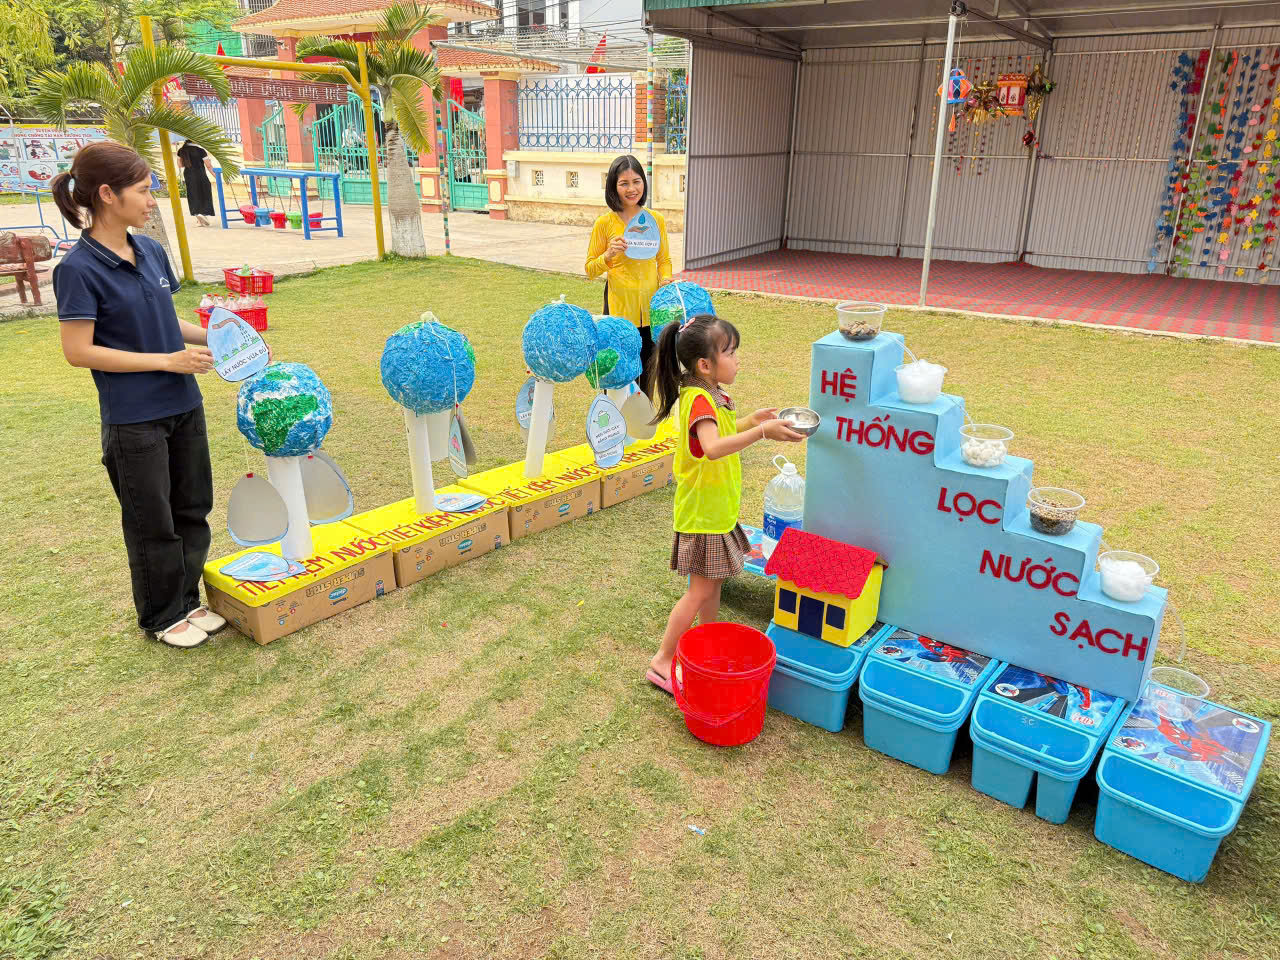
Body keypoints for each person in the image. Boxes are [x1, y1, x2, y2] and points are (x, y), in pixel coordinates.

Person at [50, 142, 224, 649]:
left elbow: (165, 318)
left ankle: (187, 601)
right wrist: (166, 361)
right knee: (154, 522)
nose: (152, 201)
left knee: (193, 508)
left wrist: (223, 338)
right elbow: (79, 351)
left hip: (184, 405)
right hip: (134, 418)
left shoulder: (149, 250)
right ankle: (162, 616)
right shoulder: (77, 268)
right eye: (145, 191)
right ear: (108, 194)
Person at [643, 313, 804, 692]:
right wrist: (762, 432)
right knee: (699, 590)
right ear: (705, 364)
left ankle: (706, 644)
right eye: (730, 353)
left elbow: (720, 431)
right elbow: (713, 447)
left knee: (712, 585)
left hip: (715, 510)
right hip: (703, 513)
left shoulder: (707, 392)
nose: (737, 359)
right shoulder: (699, 400)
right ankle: (662, 661)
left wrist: (749, 421)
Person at [584, 155, 672, 393]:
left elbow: (663, 260)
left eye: (636, 181)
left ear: (644, 183)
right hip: (619, 313)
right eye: (624, 183)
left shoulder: (656, 220)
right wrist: (608, 254)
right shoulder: (605, 223)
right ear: (613, 187)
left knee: (647, 381)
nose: (632, 189)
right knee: (618, 379)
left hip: (651, 312)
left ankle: (644, 417)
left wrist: (665, 279)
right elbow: (590, 269)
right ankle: (614, 417)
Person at [175, 139, 215, 226]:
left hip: (188, 175)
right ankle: (202, 214)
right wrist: (216, 176)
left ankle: (198, 218)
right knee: (204, 193)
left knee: (193, 194)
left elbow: (180, 165)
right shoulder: (201, 151)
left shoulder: (181, 151)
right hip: (200, 174)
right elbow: (209, 166)